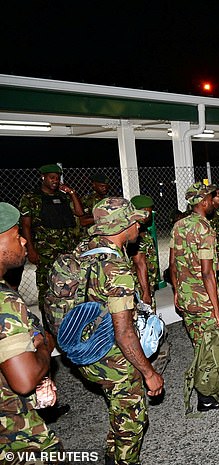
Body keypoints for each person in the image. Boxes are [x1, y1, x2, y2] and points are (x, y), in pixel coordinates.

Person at [64, 197, 164, 465]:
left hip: (86, 349)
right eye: (135, 223)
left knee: (117, 411)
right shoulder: (117, 269)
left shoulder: (83, 251)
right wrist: (149, 373)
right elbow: (124, 333)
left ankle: (111, 455)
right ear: (122, 226)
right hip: (114, 359)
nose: (139, 229)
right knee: (132, 422)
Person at [0, 202, 63, 461]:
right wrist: (43, 346)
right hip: (19, 440)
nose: (25, 241)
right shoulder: (4, 302)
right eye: (17, 236)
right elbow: (24, 380)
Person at [169, 182, 219, 411]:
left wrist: (177, 291)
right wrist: (218, 310)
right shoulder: (204, 229)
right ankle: (207, 397)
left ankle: (208, 391)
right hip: (204, 299)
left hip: (187, 299)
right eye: (210, 197)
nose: (212, 201)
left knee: (199, 345)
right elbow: (208, 272)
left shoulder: (179, 226)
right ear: (204, 201)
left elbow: (173, 264)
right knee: (211, 348)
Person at [19, 164, 84, 313]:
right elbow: (26, 226)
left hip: (67, 249)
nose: (55, 180)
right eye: (52, 177)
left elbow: (79, 213)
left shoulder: (63, 196)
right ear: (43, 177)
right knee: (46, 286)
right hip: (45, 251)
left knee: (71, 283)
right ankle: (47, 325)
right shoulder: (31, 198)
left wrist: (72, 193)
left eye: (57, 177)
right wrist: (31, 249)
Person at [128, 195, 159, 309]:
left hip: (143, 285)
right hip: (140, 287)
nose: (151, 214)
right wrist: (145, 292)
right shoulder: (137, 233)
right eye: (150, 210)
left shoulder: (138, 229)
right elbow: (139, 263)